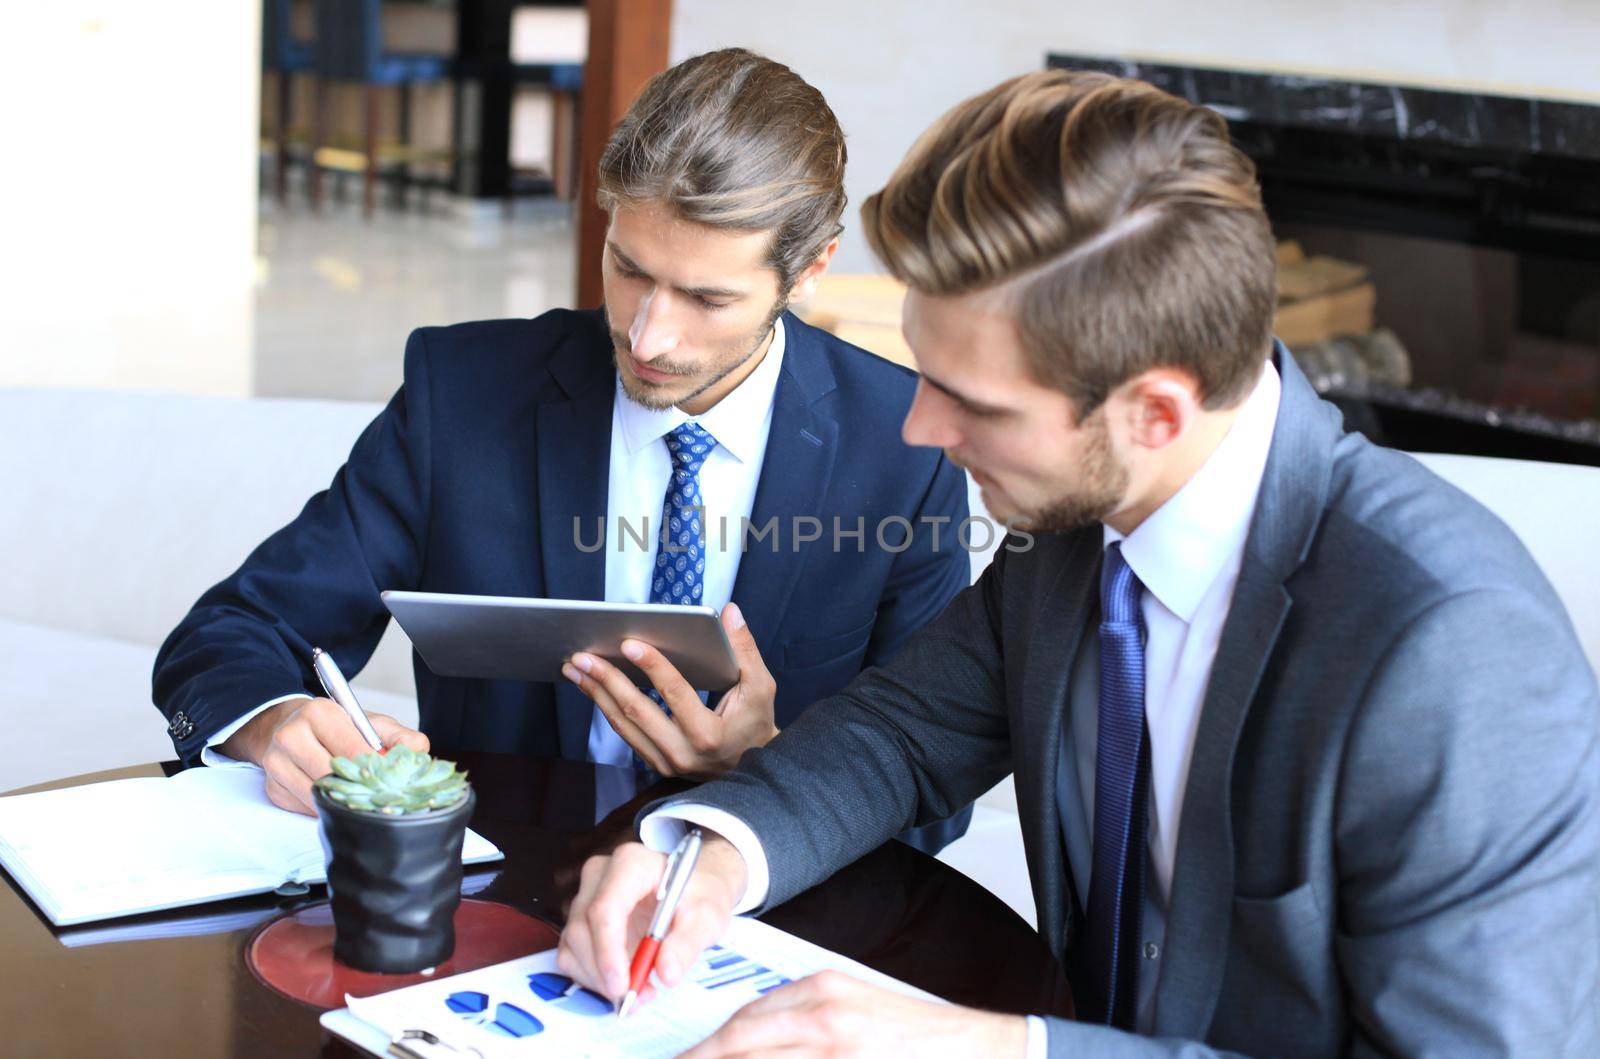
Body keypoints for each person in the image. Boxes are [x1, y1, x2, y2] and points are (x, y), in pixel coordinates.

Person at [556, 69, 1600, 1056]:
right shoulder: (1076, 531)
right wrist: (707, 854)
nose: (918, 428)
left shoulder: (1455, 653)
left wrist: (998, 1045)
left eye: (974, 402)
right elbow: (899, 735)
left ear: (1154, 412)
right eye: (928, 374)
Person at [151, 48, 974, 853]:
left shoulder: (906, 443)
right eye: (628, 268)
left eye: (706, 297)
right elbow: (231, 631)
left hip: (772, 911)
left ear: (809, 270)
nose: (649, 334)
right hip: (494, 896)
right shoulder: (464, 396)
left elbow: (937, 787)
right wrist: (272, 723)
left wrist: (773, 763)